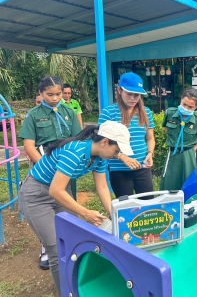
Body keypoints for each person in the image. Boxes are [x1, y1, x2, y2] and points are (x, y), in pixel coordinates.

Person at [19, 121, 132, 294]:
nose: (117, 155)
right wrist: (85, 212)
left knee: (76, 241)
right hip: (37, 195)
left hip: (61, 191)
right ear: (104, 142)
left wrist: (114, 216)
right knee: (56, 249)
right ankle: (65, 292)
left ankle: (78, 287)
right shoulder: (75, 151)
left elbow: (102, 187)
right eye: (116, 150)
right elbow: (55, 190)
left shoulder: (100, 158)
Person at [19, 76, 81, 271]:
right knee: (44, 218)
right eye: (50, 94)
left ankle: (72, 257)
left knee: (69, 217)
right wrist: (47, 167)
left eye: (59, 94)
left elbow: (77, 140)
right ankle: (47, 248)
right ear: (41, 94)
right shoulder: (34, 115)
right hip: (41, 170)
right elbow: (29, 146)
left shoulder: (69, 113)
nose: (55, 98)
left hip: (65, 171)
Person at [98, 72, 155, 198]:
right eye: (129, 94)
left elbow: (150, 138)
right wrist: (122, 157)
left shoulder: (146, 113)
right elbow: (101, 145)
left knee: (149, 205)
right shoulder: (108, 113)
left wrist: (150, 153)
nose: (133, 98)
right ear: (119, 90)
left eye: (137, 95)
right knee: (126, 208)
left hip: (143, 168)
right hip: (119, 170)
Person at [161, 88, 197, 190]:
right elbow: (166, 129)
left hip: (188, 154)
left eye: (190, 107)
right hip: (173, 153)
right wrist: (173, 141)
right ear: (181, 99)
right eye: (184, 104)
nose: (186, 108)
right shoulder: (170, 114)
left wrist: (195, 148)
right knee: (169, 182)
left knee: (188, 182)